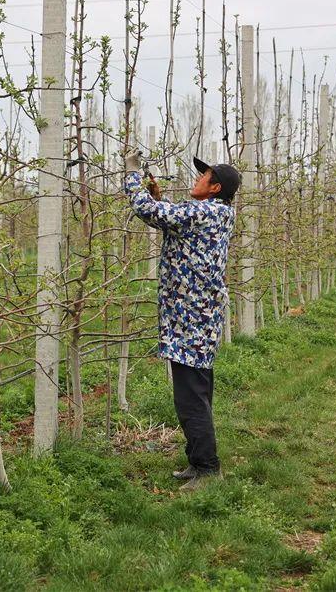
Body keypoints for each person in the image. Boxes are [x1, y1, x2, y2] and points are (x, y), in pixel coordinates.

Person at [123, 153, 240, 491]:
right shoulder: (218, 213)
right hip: (197, 318)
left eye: (203, 176)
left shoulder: (206, 211)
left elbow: (149, 213)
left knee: (190, 397)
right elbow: (173, 223)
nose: (197, 178)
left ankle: (207, 468)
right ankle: (197, 460)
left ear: (214, 187)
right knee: (196, 392)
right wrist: (158, 198)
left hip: (192, 320)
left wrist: (132, 176)